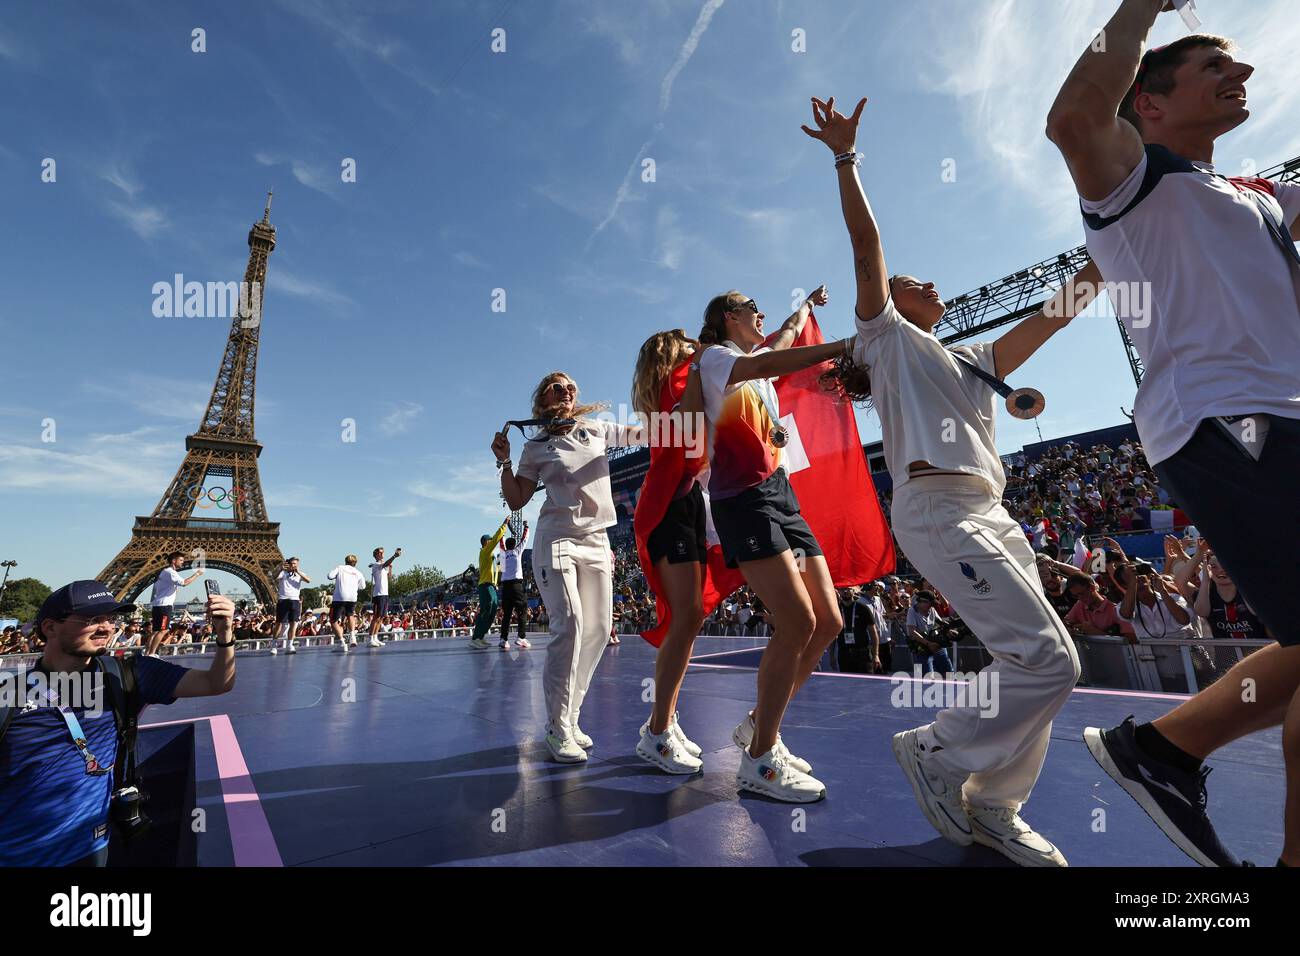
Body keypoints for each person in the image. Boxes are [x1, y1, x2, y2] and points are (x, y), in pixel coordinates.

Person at [804, 94, 1099, 865]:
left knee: (1038, 662)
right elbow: (867, 245)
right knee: (1052, 661)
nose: (930, 283)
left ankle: (996, 804)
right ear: (892, 304)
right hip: (937, 507)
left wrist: (1108, 259)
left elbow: (1051, 317)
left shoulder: (970, 361)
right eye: (915, 281)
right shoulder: (887, 339)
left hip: (989, 508)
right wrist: (845, 157)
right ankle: (938, 749)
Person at [1048, 1, 1300, 868]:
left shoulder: (1258, 196)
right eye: (1214, 67)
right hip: (1227, 418)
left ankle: (1164, 750)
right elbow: (1076, 116)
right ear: (1149, 104)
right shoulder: (1133, 178)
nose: (1244, 74)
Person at [690, 280, 853, 803]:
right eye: (750, 308)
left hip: (781, 496)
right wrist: (842, 346)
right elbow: (765, 364)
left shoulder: (755, 358)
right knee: (797, 621)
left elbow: (781, 342)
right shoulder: (716, 358)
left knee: (827, 621)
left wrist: (805, 307)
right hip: (744, 501)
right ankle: (759, 759)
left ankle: (758, 726)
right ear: (727, 319)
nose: (760, 314)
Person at [0, 580, 237, 866]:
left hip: (89, 850)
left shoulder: (129, 674)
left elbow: (216, 683)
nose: (107, 627)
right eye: (92, 619)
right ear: (50, 627)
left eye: (110, 618)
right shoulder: (9, 697)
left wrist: (225, 635)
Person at [493, 372, 646, 763]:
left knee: (596, 630)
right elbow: (516, 500)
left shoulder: (597, 429)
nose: (567, 390)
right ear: (543, 399)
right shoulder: (536, 448)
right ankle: (557, 726)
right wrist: (505, 462)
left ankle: (571, 717)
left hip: (597, 539)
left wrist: (681, 411)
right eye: (557, 386)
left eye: (571, 386)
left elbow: (644, 433)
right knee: (571, 624)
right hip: (556, 537)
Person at [144, 552, 203, 657]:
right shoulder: (171, 572)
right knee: (164, 630)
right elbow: (184, 583)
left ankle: (148, 653)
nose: (183, 562)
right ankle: (152, 654)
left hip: (157, 605)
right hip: (165, 606)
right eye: (180, 560)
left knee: (155, 631)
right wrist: (197, 574)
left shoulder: (164, 573)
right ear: (173, 561)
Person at [469, 522, 509, 649]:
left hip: (491, 586)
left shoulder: (490, 555)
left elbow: (500, 565)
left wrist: (503, 545)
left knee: (493, 609)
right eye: (490, 540)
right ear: (486, 542)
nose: (492, 542)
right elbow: (495, 540)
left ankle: (481, 636)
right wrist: (504, 526)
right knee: (487, 608)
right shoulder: (484, 552)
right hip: (485, 585)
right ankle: (475, 638)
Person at [497, 521, 532, 649]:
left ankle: (503, 640)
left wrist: (504, 526)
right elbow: (525, 538)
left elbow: (501, 539)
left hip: (505, 587)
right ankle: (521, 638)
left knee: (507, 614)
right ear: (514, 544)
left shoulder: (502, 554)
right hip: (517, 586)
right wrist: (526, 526)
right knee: (522, 611)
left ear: (506, 545)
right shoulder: (517, 551)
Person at [271, 557, 310, 656]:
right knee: (279, 623)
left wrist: (298, 572)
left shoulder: (299, 574)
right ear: (288, 564)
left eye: (296, 564)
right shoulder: (283, 573)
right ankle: (274, 644)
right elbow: (273, 577)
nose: (294, 565)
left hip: (295, 600)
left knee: (294, 624)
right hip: (283, 600)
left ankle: (290, 645)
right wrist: (280, 568)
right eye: (292, 563)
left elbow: (308, 580)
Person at [327, 555, 367, 653]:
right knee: (350, 615)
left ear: (345, 561)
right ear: (355, 563)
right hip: (352, 597)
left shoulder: (340, 568)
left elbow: (329, 576)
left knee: (333, 620)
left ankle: (342, 643)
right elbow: (363, 586)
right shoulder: (358, 572)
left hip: (340, 597)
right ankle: (353, 636)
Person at [367, 546, 402, 649]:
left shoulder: (382, 566)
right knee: (376, 617)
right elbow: (385, 564)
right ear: (376, 555)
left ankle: (375, 637)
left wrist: (390, 568)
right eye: (380, 553)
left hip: (385, 594)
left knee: (381, 617)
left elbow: (389, 577)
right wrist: (394, 556)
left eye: (383, 553)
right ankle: (370, 639)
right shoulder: (377, 565)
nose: (382, 555)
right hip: (378, 594)